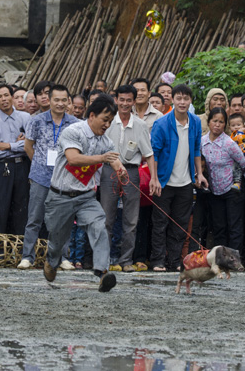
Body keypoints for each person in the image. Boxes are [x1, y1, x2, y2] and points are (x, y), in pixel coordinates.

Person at [41, 96, 127, 292]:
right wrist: (102, 158)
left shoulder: (105, 141)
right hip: (60, 196)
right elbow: (73, 159)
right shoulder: (72, 132)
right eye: (104, 120)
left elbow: (114, 161)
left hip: (86, 197)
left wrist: (120, 172)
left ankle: (102, 272)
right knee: (57, 240)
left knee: (99, 226)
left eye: (110, 122)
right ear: (92, 115)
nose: (107, 125)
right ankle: (52, 261)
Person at [149, 84, 207, 272]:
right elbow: (154, 153)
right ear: (172, 100)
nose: (182, 102)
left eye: (186, 98)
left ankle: (174, 261)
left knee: (180, 223)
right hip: (164, 181)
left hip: (185, 182)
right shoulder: (162, 123)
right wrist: (155, 178)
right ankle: (157, 260)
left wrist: (199, 174)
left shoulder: (195, 122)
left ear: (190, 101)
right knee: (160, 223)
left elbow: (196, 148)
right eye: (179, 98)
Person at [100, 84, 157, 272]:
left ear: (134, 101)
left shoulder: (140, 124)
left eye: (128, 100)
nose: (124, 104)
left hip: (132, 171)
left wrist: (154, 179)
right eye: (121, 100)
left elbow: (149, 154)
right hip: (109, 170)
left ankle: (126, 260)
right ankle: (105, 259)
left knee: (131, 219)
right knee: (107, 218)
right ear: (116, 100)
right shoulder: (108, 120)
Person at [21, 85, 79, 270]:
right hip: (40, 176)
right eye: (57, 100)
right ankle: (27, 257)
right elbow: (28, 146)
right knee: (34, 218)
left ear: (68, 101)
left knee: (63, 220)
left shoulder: (75, 123)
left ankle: (62, 257)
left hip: (65, 178)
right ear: (49, 100)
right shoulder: (36, 121)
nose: (60, 103)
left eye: (64, 100)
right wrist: (38, 164)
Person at [0, 84, 31, 237]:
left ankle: (21, 251)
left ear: (12, 96)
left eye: (6, 95)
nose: (4, 99)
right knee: (0, 208)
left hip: (23, 166)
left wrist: (7, 146)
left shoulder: (25, 118)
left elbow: (30, 145)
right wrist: (19, 145)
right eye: (0, 97)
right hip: (1, 168)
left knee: (21, 208)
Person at [201, 107, 245, 252]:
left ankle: (236, 259)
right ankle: (221, 259)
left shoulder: (229, 143)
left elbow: (243, 163)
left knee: (234, 226)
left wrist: (237, 179)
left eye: (221, 122)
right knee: (218, 227)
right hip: (213, 191)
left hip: (231, 190)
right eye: (215, 121)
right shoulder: (202, 141)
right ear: (209, 122)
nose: (217, 124)